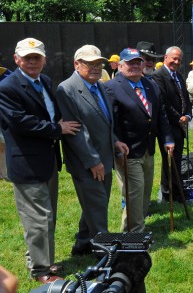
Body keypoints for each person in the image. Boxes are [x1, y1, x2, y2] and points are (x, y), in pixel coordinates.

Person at [0, 38, 81, 283]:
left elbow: (50, 112)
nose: (32, 62)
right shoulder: (7, 87)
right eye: (27, 58)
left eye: (37, 57)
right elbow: (19, 121)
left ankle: (42, 260)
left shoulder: (44, 81)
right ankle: (41, 271)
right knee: (37, 220)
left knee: (48, 217)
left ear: (44, 60)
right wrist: (56, 129)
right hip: (26, 164)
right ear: (16, 59)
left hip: (46, 162)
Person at [55, 45, 129, 256]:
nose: (96, 67)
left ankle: (82, 244)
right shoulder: (66, 89)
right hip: (87, 162)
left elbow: (105, 121)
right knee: (97, 207)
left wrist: (115, 141)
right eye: (90, 63)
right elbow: (77, 131)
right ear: (77, 64)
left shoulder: (100, 86)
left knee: (96, 202)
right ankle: (104, 254)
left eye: (98, 63)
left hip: (104, 158)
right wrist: (93, 161)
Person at [106, 48, 174, 232]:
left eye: (138, 62)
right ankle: (135, 234)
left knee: (144, 194)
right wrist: (116, 147)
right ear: (120, 66)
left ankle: (133, 227)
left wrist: (168, 138)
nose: (135, 65)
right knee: (133, 193)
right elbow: (109, 122)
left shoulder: (150, 85)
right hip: (127, 151)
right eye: (130, 62)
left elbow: (161, 115)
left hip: (148, 149)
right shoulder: (112, 87)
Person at [152, 47, 192, 202]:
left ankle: (175, 190)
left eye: (179, 60)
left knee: (176, 159)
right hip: (167, 126)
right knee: (169, 160)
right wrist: (179, 118)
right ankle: (170, 192)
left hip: (180, 125)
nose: (176, 62)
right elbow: (164, 103)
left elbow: (186, 99)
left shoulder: (179, 76)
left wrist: (188, 115)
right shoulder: (158, 76)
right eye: (174, 58)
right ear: (165, 57)